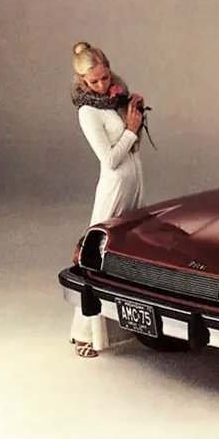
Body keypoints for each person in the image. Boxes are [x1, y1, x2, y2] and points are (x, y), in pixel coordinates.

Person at [69, 41, 146, 358]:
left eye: (105, 77)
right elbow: (110, 159)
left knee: (127, 252)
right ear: (82, 81)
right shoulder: (88, 112)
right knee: (98, 254)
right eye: (94, 82)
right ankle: (83, 333)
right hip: (114, 187)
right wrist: (131, 129)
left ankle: (123, 325)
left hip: (134, 183)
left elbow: (133, 147)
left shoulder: (115, 99)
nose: (101, 85)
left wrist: (133, 113)